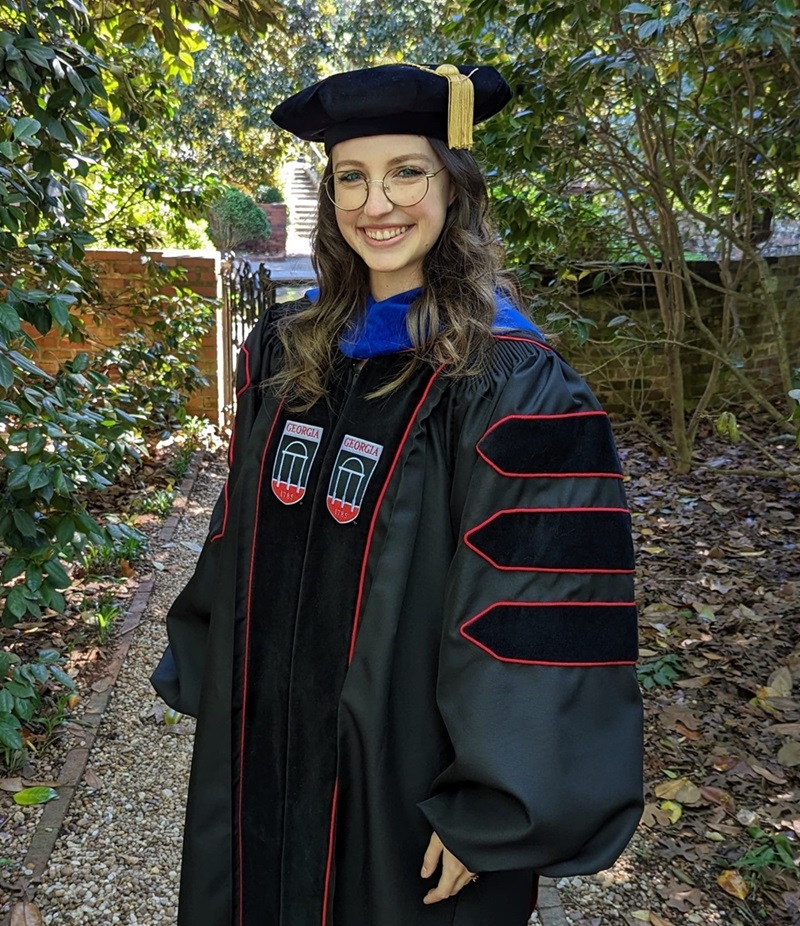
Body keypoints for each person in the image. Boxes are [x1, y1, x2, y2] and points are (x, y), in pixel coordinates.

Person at [152, 62, 643, 926]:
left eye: (406, 172)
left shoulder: (509, 381)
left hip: (406, 779)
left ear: (453, 186)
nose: (377, 203)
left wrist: (495, 802)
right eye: (353, 177)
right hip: (265, 741)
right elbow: (239, 528)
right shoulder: (288, 351)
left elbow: (539, 599)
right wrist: (218, 670)